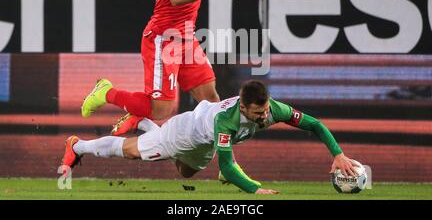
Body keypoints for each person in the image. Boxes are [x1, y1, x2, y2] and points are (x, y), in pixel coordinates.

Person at [80, 0, 245, 136]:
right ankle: (106, 92)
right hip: (164, 37)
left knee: (211, 99)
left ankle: (223, 160)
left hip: (185, 37)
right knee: (161, 109)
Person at [63, 80, 359, 194]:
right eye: (257, 113)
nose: (263, 117)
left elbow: (316, 125)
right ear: (244, 108)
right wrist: (254, 190)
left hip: (202, 143)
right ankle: (79, 146)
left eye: (265, 110)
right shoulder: (227, 122)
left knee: (186, 172)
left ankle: (144, 122)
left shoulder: (275, 109)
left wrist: (337, 153)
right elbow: (227, 167)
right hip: (184, 133)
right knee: (133, 152)